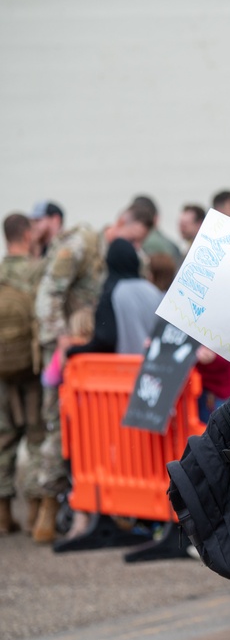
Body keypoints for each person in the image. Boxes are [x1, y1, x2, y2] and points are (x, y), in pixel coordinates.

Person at [30, 201, 105, 543]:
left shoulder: (75, 244)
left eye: (39, 219)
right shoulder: (75, 246)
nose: (33, 225)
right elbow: (48, 297)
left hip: (66, 347)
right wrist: (61, 344)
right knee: (57, 426)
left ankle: (45, 507)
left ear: (54, 219)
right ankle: (46, 506)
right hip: (63, 351)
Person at [0, 213, 45, 535]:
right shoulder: (36, 272)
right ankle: (34, 515)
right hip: (32, 369)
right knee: (36, 438)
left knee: (3, 438)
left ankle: (3, 515)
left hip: (2, 370)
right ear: (27, 235)